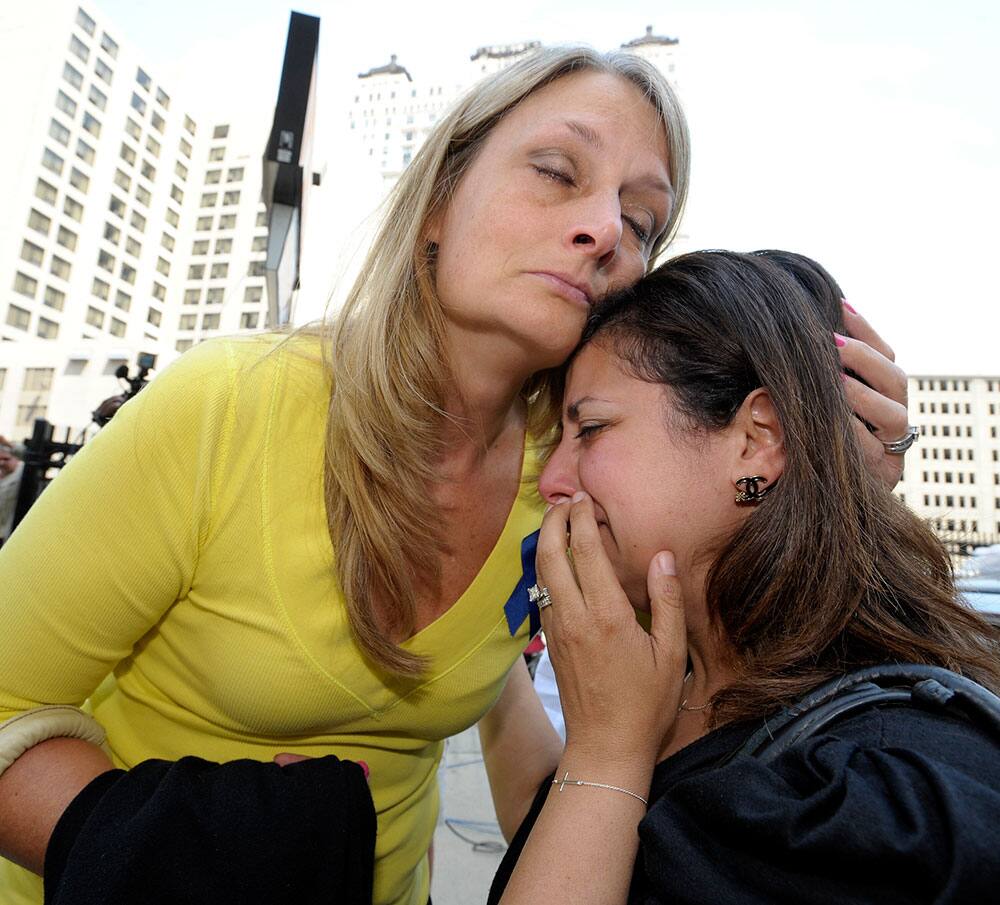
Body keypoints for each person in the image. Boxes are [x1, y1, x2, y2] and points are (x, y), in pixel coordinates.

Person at [0, 44, 909, 905]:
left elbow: (697, 700)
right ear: (439, 200)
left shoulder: (583, 469)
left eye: (641, 221)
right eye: (557, 172)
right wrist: (184, 853)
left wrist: (832, 490)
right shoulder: (229, 405)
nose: (602, 230)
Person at [482, 250, 1000, 905]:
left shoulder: (861, 808)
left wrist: (609, 752)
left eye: (590, 427)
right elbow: (565, 832)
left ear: (756, 440)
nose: (552, 479)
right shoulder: (682, 681)